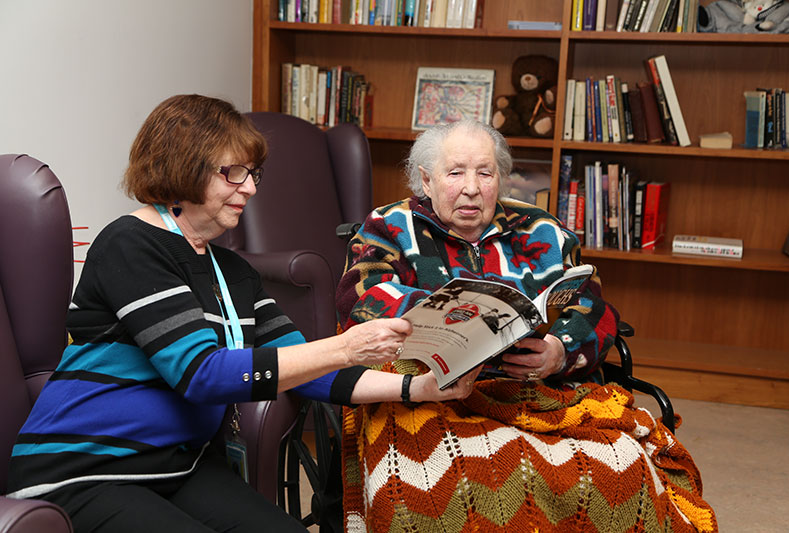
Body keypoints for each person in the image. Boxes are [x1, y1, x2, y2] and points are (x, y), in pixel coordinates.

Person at [5, 94, 475, 533]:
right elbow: (199, 374)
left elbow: (308, 367)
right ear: (183, 168)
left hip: (176, 465)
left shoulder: (232, 270)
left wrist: (416, 387)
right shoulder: (130, 244)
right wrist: (345, 345)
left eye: (253, 173)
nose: (250, 188)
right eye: (234, 173)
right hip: (83, 472)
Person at [335, 119, 718, 532]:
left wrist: (558, 350)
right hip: (433, 393)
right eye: (455, 172)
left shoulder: (539, 229)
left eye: (485, 172)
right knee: (458, 480)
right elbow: (362, 298)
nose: (471, 187)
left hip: (536, 390)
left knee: (622, 468)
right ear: (426, 180)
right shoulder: (390, 226)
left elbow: (592, 305)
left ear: (500, 178)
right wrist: (449, 317)